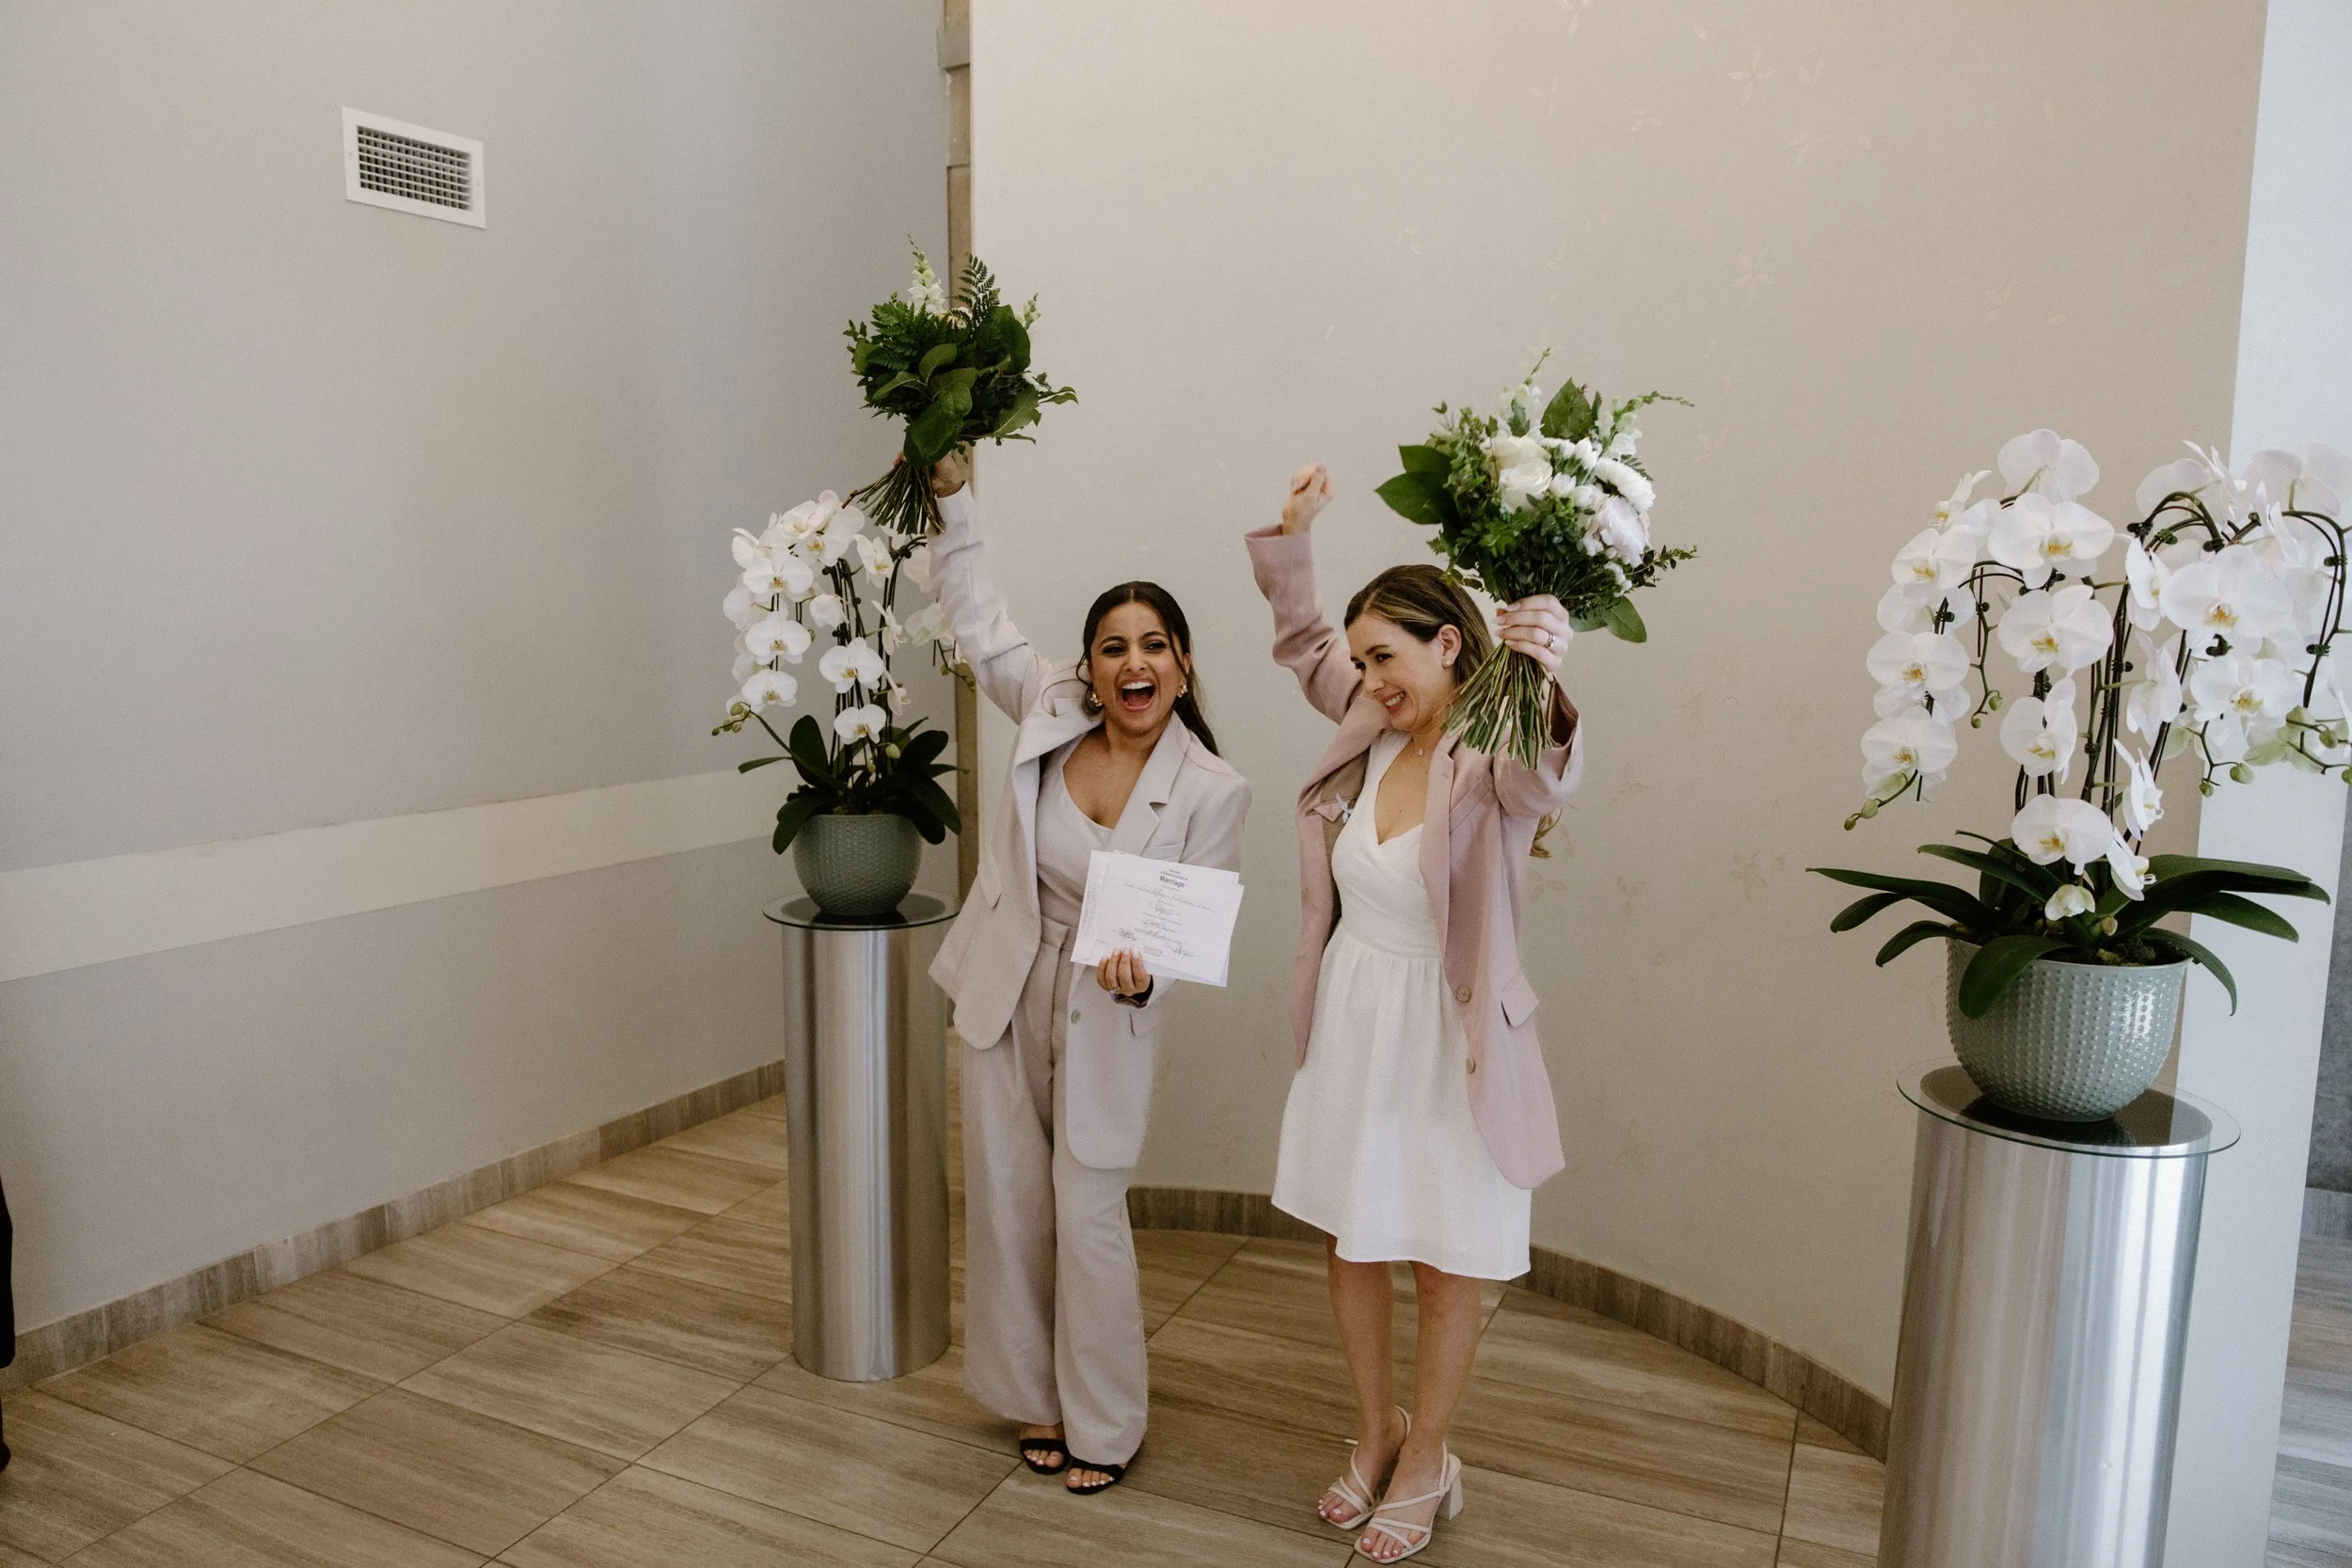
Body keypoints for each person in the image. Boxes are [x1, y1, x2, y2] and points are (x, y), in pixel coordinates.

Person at [1246, 462, 1581, 1563]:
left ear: (1446, 643)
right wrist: (1293, 533)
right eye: (1360, 661)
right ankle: (1377, 1427)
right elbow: (1304, 641)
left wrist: (1543, 672)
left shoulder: (1492, 755)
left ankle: (1429, 1455)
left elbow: (1545, 777)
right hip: (1354, 1014)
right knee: (1350, 1240)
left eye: (1384, 656)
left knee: (1443, 1262)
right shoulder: (1366, 715)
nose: (1366, 676)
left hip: (1449, 1034)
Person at [926, 449, 1250, 1494]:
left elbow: (1191, 923)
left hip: (1109, 1010)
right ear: (1090, 666)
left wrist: (1142, 976)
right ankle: (1036, 1397)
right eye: (1113, 647)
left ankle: (1106, 1423)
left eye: (1153, 645)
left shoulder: (1213, 788)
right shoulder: (1049, 707)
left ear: (1183, 666)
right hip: (1004, 987)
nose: (1132, 663)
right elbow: (979, 620)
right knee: (1010, 1201)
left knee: (1089, 1214)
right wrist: (951, 498)